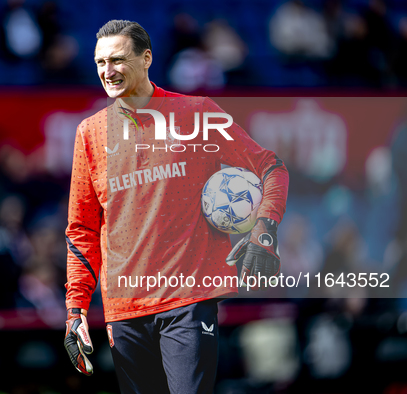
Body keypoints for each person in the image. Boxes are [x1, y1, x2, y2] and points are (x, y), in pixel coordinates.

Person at [64, 20, 289, 394]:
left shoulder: (198, 113)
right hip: (123, 311)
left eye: (118, 59)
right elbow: (82, 229)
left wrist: (264, 230)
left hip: (187, 301)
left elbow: (271, 168)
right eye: (100, 62)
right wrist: (76, 311)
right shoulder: (90, 132)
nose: (108, 70)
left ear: (147, 58)